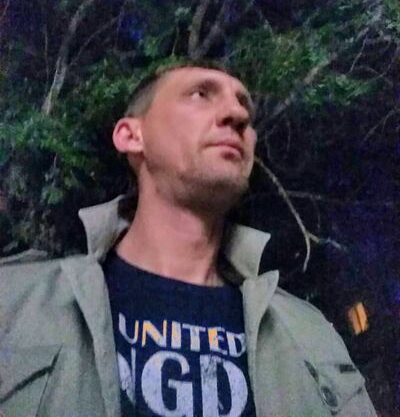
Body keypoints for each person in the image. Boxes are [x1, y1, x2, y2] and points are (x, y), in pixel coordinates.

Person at [0, 61, 377, 416]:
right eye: (200, 94)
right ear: (132, 135)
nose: (238, 114)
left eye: (244, 105)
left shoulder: (310, 333)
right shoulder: (13, 302)